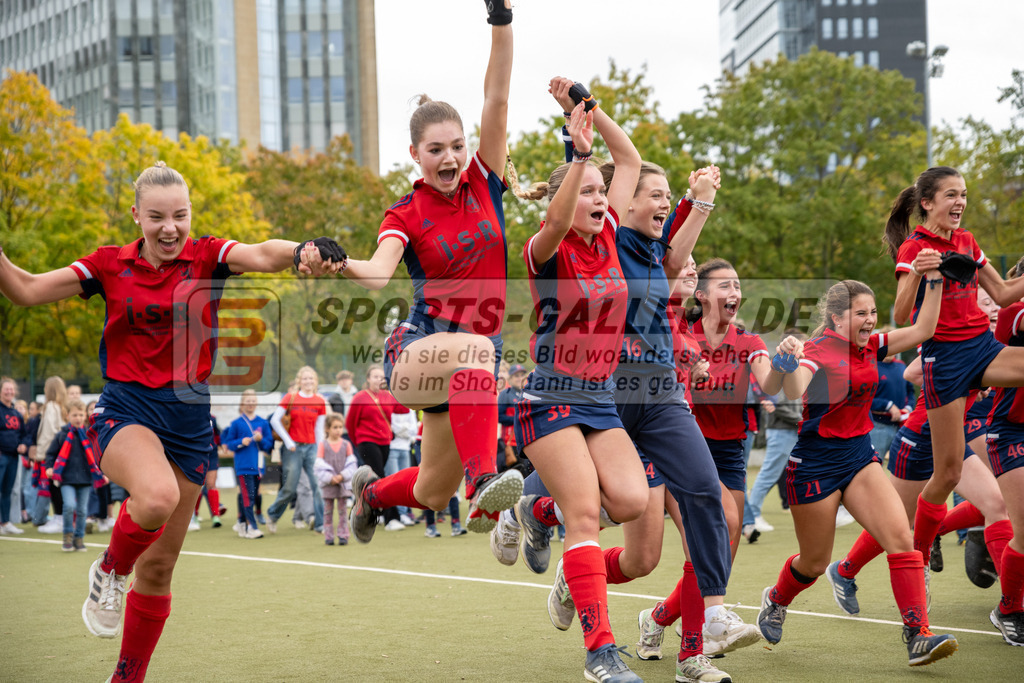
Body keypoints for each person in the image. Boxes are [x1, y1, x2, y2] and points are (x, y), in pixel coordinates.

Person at [0, 160, 342, 682]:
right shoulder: (109, 266)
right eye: (156, 216)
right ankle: (110, 570)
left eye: (179, 215)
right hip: (127, 410)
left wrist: (300, 251)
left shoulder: (206, 256)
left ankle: (126, 678)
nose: (169, 227)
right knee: (155, 498)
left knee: (159, 570)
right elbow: (24, 289)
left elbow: (262, 252)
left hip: (188, 422)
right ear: (136, 216)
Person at [341, 2, 523, 544]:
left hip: (468, 373)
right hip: (418, 350)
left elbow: (497, 95)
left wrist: (501, 19)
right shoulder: (405, 212)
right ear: (415, 154)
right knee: (480, 352)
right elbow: (376, 275)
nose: (449, 157)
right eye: (436, 149)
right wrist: (335, 261)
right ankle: (485, 479)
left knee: (430, 492)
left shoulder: (484, 182)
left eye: (457, 146)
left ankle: (370, 494)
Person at [509, 77, 647, 682]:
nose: (598, 197)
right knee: (587, 514)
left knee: (633, 499)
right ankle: (600, 652)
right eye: (585, 191)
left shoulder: (612, 233)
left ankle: (537, 509)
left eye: (600, 193)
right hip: (549, 395)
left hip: (600, 398)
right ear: (564, 199)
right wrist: (578, 158)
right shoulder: (545, 248)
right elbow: (564, 211)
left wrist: (584, 111)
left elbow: (632, 160)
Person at [755, 276, 960, 667]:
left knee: (901, 537)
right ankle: (777, 599)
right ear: (835, 319)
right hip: (815, 462)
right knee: (813, 563)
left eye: (873, 312)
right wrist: (787, 358)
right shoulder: (817, 350)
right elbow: (795, 388)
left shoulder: (873, 346)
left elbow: (923, 330)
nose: (870, 320)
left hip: (859, 456)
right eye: (860, 313)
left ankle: (918, 634)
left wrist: (934, 281)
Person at [884, 166, 1024, 571]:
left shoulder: (965, 239)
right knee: (947, 472)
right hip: (943, 359)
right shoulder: (914, 246)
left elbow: (1002, 292)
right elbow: (899, 312)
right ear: (927, 203)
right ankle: (920, 552)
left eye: (963, 194)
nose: (960, 201)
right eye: (951, 194)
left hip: (981, 347)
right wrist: (923, 272)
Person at [743, 332, 806, 540]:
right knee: (769, 473)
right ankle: (753, 514)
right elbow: (774, 403)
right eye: (801, 345)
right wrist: (799, 418)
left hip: (792, 429)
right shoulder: (778, 367)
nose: (804, 350)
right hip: (781, 429)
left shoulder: (799, 367)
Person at [345, 364, 410, 530]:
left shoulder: (388, 396)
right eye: (375, 376)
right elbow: (350, 423)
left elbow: (403, 408)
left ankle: (366, 511)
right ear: (368, 379)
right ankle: (391, 518)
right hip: (367, 442)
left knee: (372, 480)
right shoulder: (360, 397)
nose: (379, 379)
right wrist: (358, 442)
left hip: (385, 442)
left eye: (382, 377)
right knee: (381, 477)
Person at [267, 366, 328, 534]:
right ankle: (272, 515)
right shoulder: (290, 397)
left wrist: (320, 451)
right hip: (293, 449)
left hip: (312, 448)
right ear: (299, 381)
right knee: (289, 488)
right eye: (305, 378)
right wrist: (288, 441)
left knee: (317, 485)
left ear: (315, 381)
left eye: (311, 378)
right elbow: (275, 420)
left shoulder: (319, 401)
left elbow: (319, 429)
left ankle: (320, 524)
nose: (308, 381)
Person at [44, 399, 107, 551]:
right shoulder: (62, 435)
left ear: (85, 415)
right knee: (69, 506)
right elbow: (51, 454)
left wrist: (103, 473)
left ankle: (79, 539)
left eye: (80, 414)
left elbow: (98, 456)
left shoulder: (89, 434)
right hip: (67, 479)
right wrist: (49, 467)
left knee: (82, 511)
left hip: (86, 479)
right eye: (74, 415)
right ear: (68, 416)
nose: (78, 418)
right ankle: (67, 536)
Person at [221, 390, 274, 539]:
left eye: (253, 401)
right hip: (243, 466)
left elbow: (268, 445)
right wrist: (240, 442)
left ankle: (243, 525)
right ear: (243, 403)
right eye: (247, 401)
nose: (250, 404)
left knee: (254, 496)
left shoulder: (263, 423)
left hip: (258, 467)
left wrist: (261, 439)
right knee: (247, 497)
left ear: (256, 403)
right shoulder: (236, 423)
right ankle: (252, 526)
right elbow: (229, 444)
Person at [315, 414, 357, 545]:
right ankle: (328, 536)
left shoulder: (346, 444)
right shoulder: (323, 445)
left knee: (343, 511)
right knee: (327, 511)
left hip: (342, 484)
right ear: (327, 428)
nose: (338, 430)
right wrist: (329, 478)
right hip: (329, 484)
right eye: (335, 427)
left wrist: (342, 476)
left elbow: (351, 464)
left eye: (340, 427)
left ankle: (343, 535)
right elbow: (318, 465)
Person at [33, 376, 68, 531]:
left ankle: (59, 518)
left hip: (52, 452)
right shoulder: (62, 407)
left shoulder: (50, 407)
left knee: (54, 486)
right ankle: (59, 517)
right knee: (58, 486)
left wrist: (44, 454)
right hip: (63, 452)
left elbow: (49, 432)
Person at [0, 377, 26, 535]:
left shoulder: (16, 413)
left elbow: (24, 434)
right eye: (6, 389)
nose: (9, 392)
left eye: (11, 389)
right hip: (1, 455)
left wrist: (24, 444)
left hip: (13, 457)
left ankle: (6, 522)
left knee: (7, 490)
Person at [388, 404, 419, 526]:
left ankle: (403, 513)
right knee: (393, 482)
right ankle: (395, 515)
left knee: (405, 483)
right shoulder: (390, 406)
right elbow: (392, 428)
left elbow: (413, 430)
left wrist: (401, 430)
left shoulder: (409, 408)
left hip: (405, 448)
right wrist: (404, 429)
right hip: (392, 448)